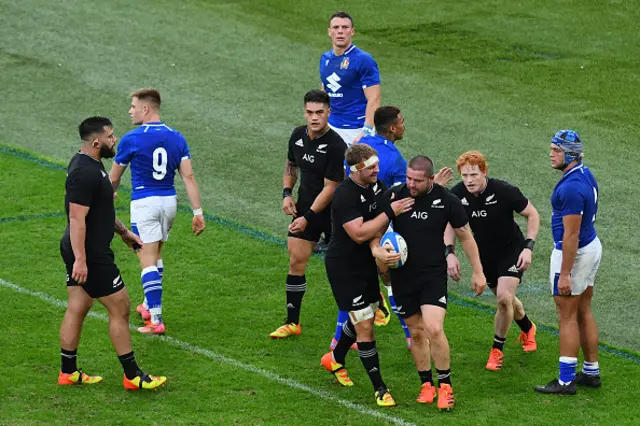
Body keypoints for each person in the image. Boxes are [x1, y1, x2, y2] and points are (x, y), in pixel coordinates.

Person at [59, 116, 166, 390]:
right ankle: (132, 376)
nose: (114, 139)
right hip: (90, 253)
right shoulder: (85, 173)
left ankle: (68, 372)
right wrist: (82, 260)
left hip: (83, 249)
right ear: (97, 142)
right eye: (110, 136)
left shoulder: (90, 165)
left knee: (78, 305)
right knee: (121, 307)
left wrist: (124, 233)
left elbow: (100, 209)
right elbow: (77, 219)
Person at [384, 155, 486, 411]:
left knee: (434, 328)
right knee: (416, 332)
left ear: (430, 179)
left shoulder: (447, 201)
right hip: (402, 276)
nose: (411, 184)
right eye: (408, 178)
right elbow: (374, 227)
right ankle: (426, 385)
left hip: (432, 276)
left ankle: (446, 387)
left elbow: (466, 236)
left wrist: (478, 272)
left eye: (417, 180)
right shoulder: (395, 196)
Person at [321, 144, 414, 407]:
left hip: (364, 263)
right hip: (344, 268)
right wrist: (390, 213)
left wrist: (376, 249)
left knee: (368, 314)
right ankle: (380, 389)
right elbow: (359, 232)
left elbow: (375, 227)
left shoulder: (375, 186)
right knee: (365, 325)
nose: (377, 169)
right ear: (356, 169)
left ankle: (334, 359)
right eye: (371, 166)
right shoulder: (344, 195)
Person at [355, 106, 453, 347]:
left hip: (355, 219)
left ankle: (345, 340)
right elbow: (407, 199)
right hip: (382, 223)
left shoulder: (360, 145)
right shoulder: (395, 161)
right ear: (392, 128)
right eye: (401, 122)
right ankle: (409, 335)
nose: (404, 125)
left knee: (357, 279)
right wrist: (434, 186)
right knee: (393, 273)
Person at [109, 88, 205, 335]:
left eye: (133, 106)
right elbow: (189, 176)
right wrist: (198, 211)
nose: (130, 111)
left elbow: (115, 177)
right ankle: (147, 305)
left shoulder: (131, 138)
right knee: (155, 253)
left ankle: (156, 320)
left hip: (145, 203)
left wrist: (104, 197)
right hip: (169, 202)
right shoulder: (177, 137)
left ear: (145, 109)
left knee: (146, 259)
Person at [448, 151, 540, 371]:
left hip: (511, 249)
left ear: (484, 172)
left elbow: (533, 214)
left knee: (504, 299)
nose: (469, 180)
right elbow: (449, 224)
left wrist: (528, 247)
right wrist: (449, 252)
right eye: (465, 175)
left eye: (474, 174)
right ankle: (528, 328)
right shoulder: (457, 195)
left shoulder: (504, 191)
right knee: (506, 300)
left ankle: (497, 350)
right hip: (483, 256)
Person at [269, 90, 346, 339]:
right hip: (305, 208)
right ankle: (293, 322)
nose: (315, 118)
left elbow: (331, 187)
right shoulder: (297, 135)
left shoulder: (336, 145)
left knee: (346, 268)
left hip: (334, 213)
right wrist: (287, 193)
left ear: (328, 113)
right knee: (296, 261)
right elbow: (291, 166)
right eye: (310, 112)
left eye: (320, 113)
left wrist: (308, 217)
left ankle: (370, 305)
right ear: (304, 112)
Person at [535, 130, 602, 395]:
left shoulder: (571, 188)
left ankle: (565, 381)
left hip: (574, 253)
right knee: (583, 309)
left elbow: (571, 234)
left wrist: (565, 273)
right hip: (591, 246)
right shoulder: (585, 174)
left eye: (556, 149)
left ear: (570, 154)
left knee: (567, 316)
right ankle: (590, 372)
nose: (551, 154)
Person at [320, 11, 381, 146]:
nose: (340, 31)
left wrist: (367, 130)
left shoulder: (363, 60)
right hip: (332, 126)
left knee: (359, 167)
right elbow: (325, 88)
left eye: (345, 27)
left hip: (356, 129)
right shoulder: (325, 59)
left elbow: (374, 98)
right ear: (329, 32)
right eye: (336, 28)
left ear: (352, 31)